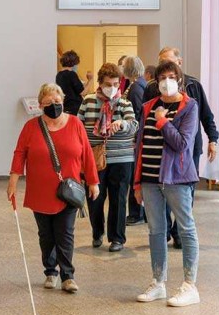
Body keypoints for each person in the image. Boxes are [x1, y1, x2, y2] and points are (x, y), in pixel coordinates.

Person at [8, 84, 100, 292]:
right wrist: (13, 180)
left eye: (57, 102)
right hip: (40, 189)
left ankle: (68, 275)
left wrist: (93, 181)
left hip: (67, 190)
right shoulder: (31, 127)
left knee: (65, 233)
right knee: (46, 234)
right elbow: (19, 153)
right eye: (49, 103)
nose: (54, 106)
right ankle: (50, 271)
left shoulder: (75, 124)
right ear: (40, 105)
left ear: (63, 102)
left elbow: (86, 154)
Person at [133, 60, 201, 307]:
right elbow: (140, 145)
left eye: (172, 76)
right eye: (162, 77)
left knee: (186, 228)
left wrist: (163, 122)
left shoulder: (189, 107)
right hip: (150, 179)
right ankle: (158, 282)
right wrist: (137, 181)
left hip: (178, 178)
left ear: (179, 80)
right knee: (156, 231)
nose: (166, 81)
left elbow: (183, 144)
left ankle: (189, 285)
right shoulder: (148, 106)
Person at [144, 47, 219, 248]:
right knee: (162, 189)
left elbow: (206, 115)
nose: (165, 70)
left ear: (179, 63)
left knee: (185, 191)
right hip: (160, 149)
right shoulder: (152, 88)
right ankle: (166, 229)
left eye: (169, 62)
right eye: (161, 64)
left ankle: (179, 232)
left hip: (188, 148)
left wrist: (213, 139)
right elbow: (144, 118)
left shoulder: (193, 85)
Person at [78, 63, 138, 252]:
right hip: (94, 158)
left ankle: (117, 238)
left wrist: (121, 124)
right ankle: (97, 232)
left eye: (114, 83)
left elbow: (133, 125)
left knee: (119, 198)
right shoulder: (88, 102)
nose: (111, 88)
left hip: (121, 158)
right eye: (107, 84)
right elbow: (78, 128)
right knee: (95, 197)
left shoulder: (124, 103)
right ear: (100, 83)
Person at [122, 56, 148, 225]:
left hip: (135, 138)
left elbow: (138, 114)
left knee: (134, 177)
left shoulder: (136, 87)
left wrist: (134, 137)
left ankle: (136, 213)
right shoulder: (139, 84)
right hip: (136, 137)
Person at [56, 50, 85, 115]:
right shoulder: (72, 74)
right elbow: (83, 92)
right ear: (73, 63)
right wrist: (90, 80)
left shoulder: (59, 75)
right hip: (74, 107)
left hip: (65, 106)